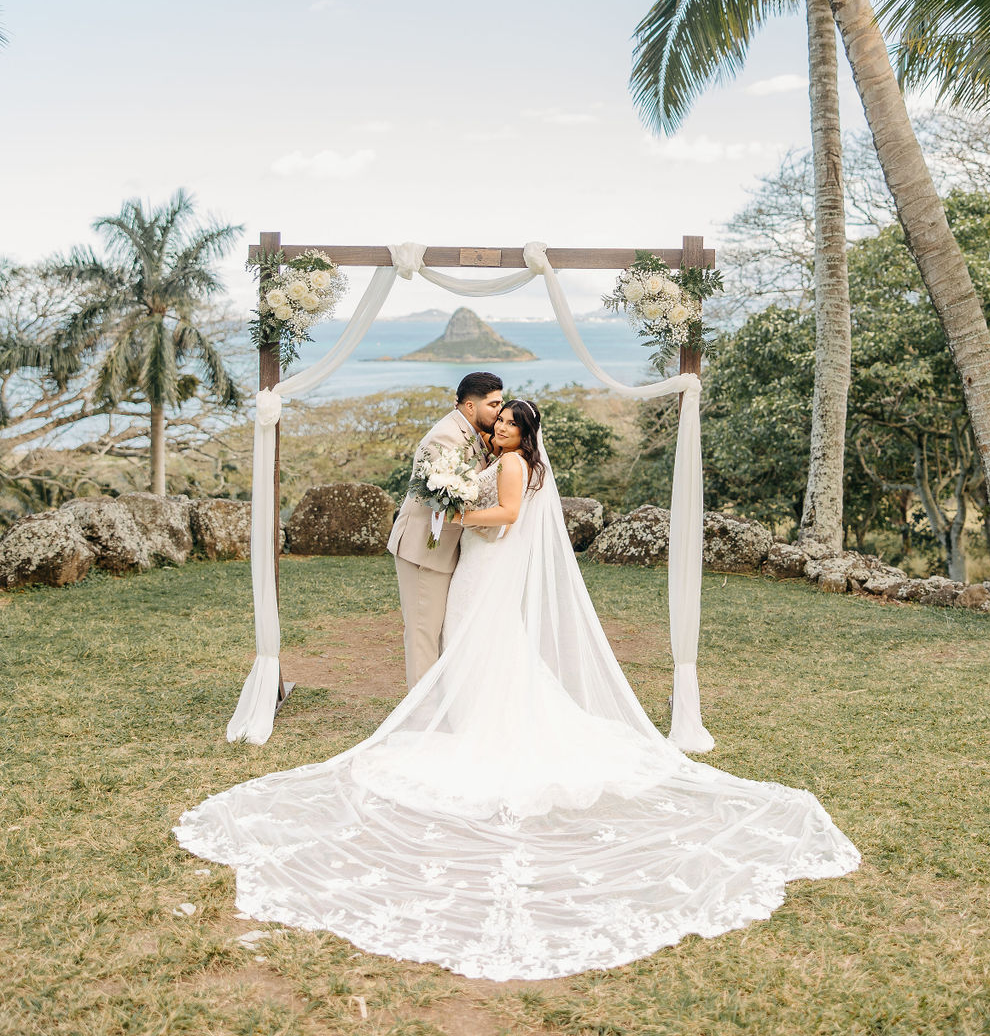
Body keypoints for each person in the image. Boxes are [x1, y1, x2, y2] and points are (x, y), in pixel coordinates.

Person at [175, 400, 859, 981]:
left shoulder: (510, 467)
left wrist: (455, 512)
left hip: (483, 565)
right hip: (483, 569)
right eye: (495, 420)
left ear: (522, 435)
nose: (497, 428)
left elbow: (502, 518)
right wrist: (458, 500)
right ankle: (484, 716)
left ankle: (486, 728)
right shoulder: (525, 465)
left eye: (506, 423)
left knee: (480, 641)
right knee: (487, 647)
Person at [386, 372, 503, 688]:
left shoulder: (470, 433)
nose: (500, 411)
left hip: (446, 551)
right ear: (469, 406)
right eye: (493, 404)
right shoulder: (445, 438)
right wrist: (497, 522)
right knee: (424, 633)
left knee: (441, 632)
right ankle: (420, 718)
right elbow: (444, 502)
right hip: (424, 551)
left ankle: (437, 706)